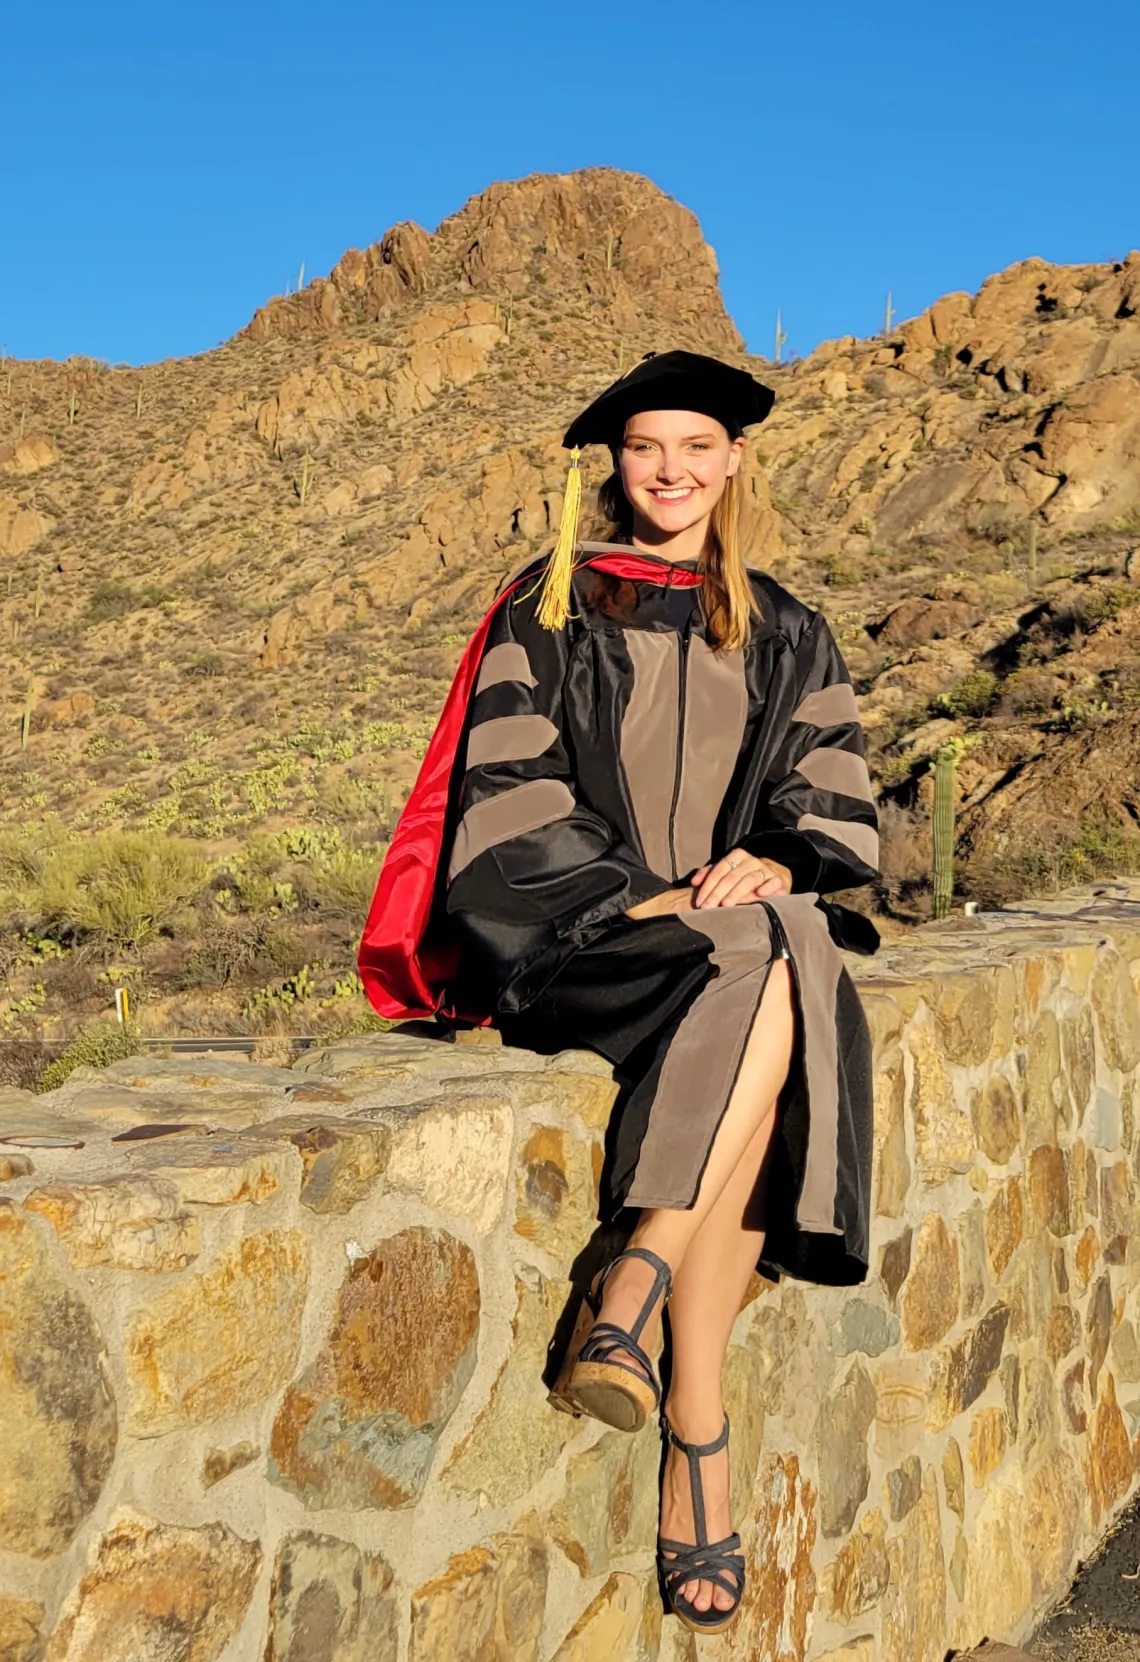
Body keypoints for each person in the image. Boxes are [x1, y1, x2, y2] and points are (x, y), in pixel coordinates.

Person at [359, 350, 879, 1634]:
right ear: (613, 462)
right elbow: (509, 790)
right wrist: (633, 897)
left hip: (725, 947)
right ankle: (696, 1417)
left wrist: (785, 852)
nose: (673, 472)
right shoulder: (549, 608)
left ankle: (638, 1302)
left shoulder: (786, 626)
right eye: (648, 448)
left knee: (780, 940)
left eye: (698, 448)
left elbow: (834, 788)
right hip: (583, 943)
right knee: (777, 962)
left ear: (736, 460)